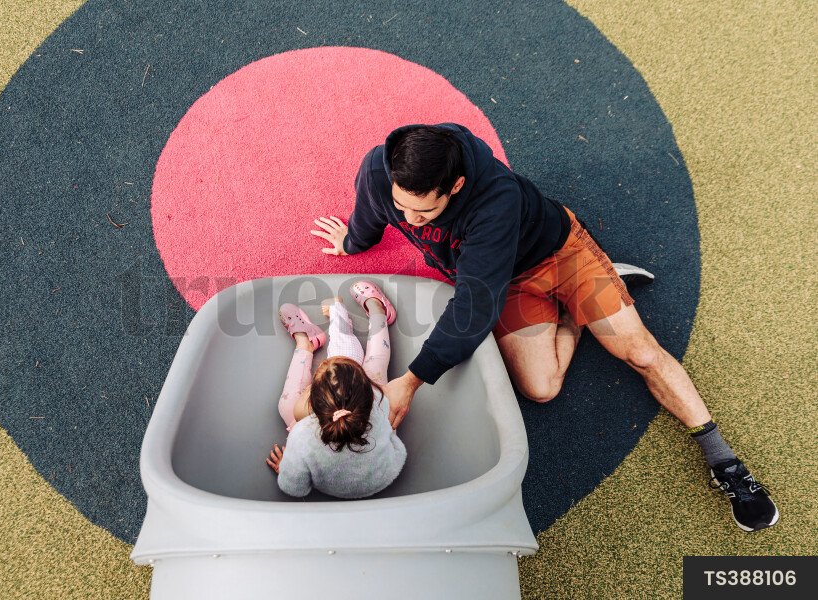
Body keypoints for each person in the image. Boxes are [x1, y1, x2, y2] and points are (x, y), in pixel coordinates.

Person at [310, 123, 778, 531]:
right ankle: (579, 312)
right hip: (510, 284)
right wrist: (352, 241)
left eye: (424, 214)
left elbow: (473, 306)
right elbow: (375, 213)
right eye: (402, 206)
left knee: (639, 351)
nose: (410, 222)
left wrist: (411, 381)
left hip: (563, 256)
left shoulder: (495, 198)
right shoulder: (381, 170)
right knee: (541, 388)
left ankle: (727, 462)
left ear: (455, 185)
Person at [266, 280, 406, 499]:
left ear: (312, 401)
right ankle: (378, 312)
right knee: (376, 364)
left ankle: (305, 344)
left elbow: (294, 488)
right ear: (369, 392)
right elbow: (398, 450)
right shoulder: (379, 401)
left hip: (329, 484)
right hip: (384, 477)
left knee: (286, 407)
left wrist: (285, 467)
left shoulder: (302, 437)